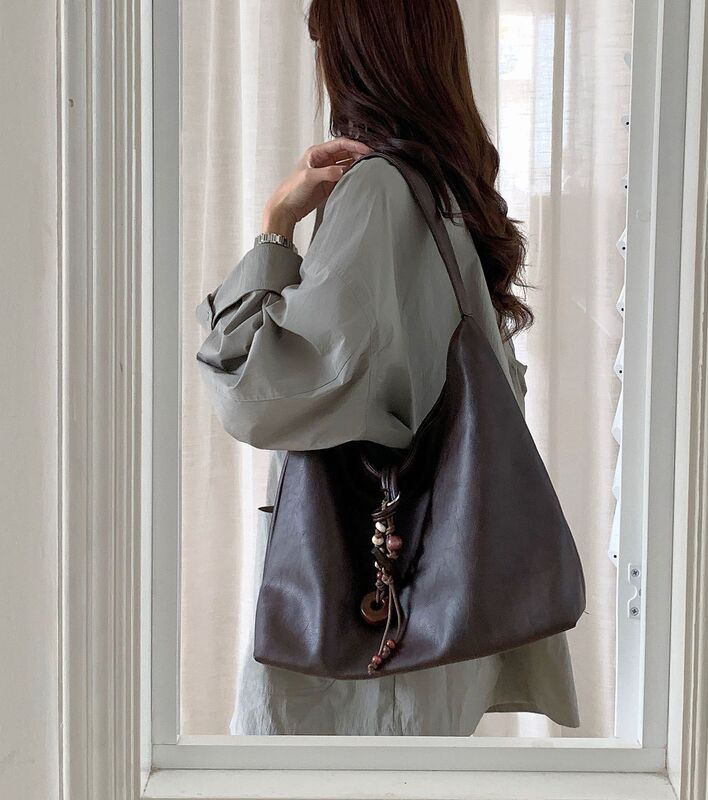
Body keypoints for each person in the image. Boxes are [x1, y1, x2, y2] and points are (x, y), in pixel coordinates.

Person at [195, 0, 580, 735]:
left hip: (371, 644)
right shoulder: (450, 192)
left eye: (325, 39)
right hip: (432, 614)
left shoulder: (377, 191)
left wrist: (275, 226)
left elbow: (255, 392)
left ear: (356, 52)